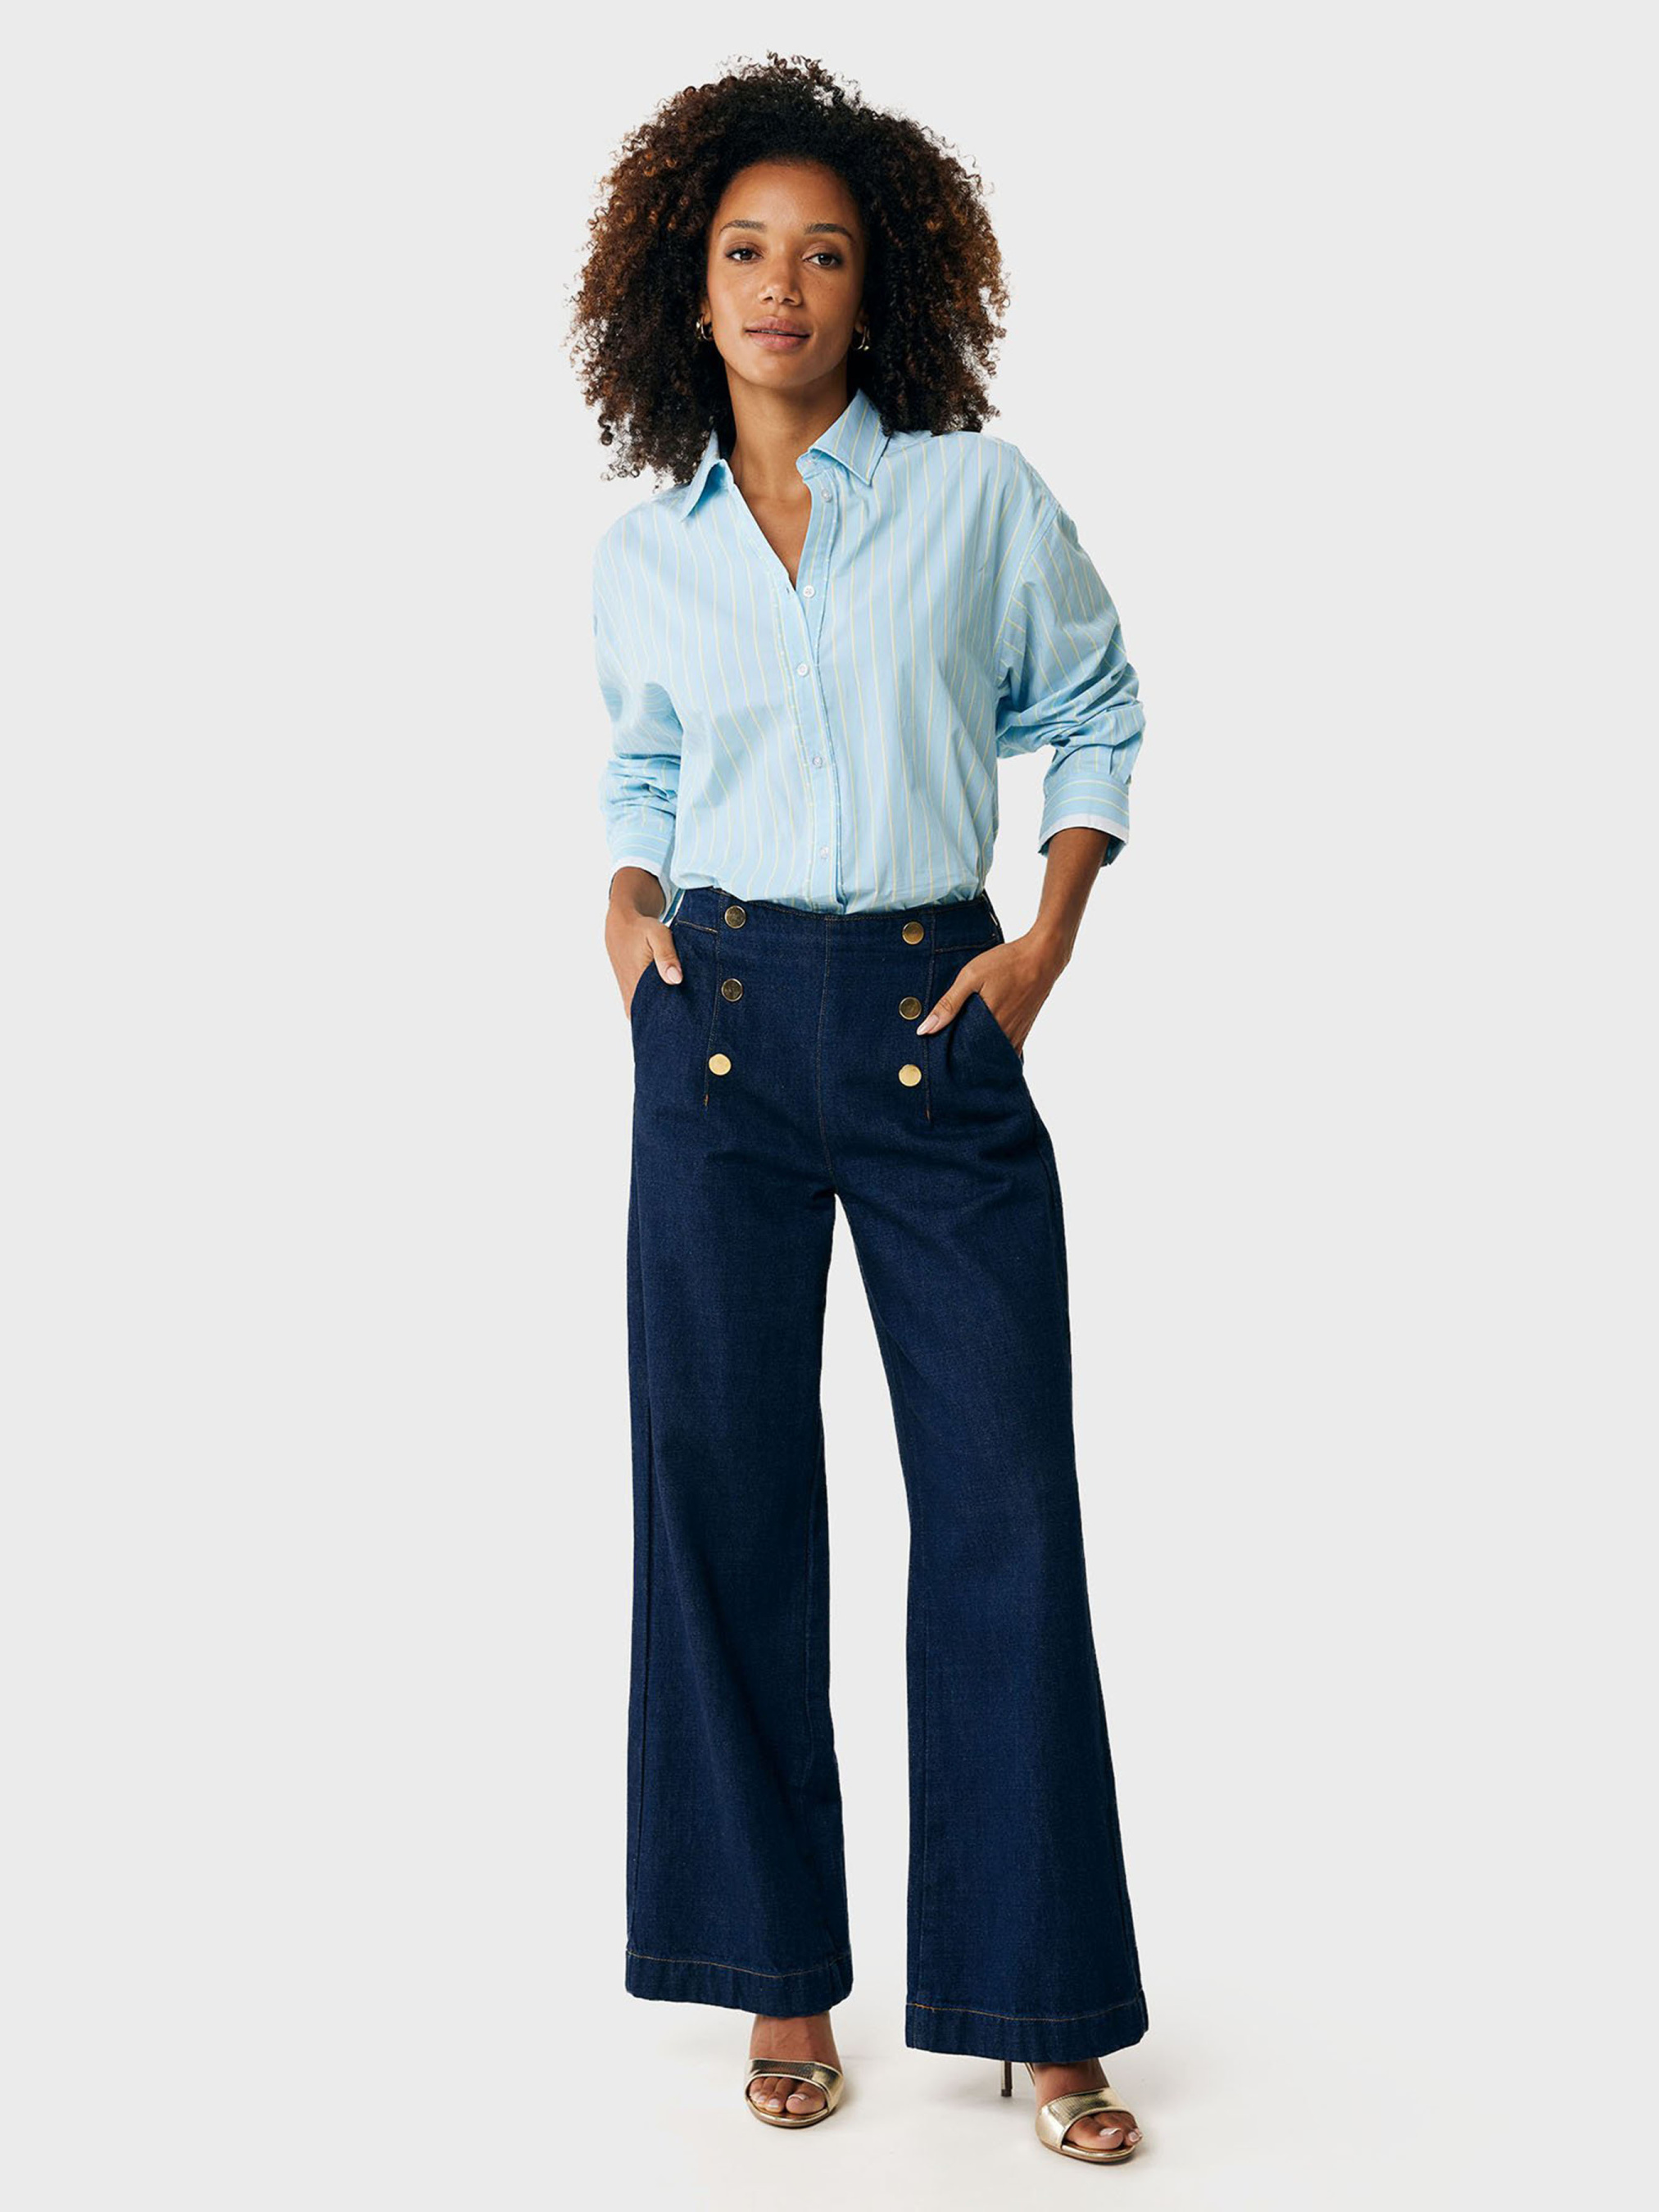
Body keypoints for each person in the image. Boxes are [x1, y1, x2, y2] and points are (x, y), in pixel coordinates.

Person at [569, 56, 1149, 2166]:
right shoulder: (648, 555)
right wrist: (626, 906)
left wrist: (1045, 940)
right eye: (745, 252)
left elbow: (1092, 704)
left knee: (1001, 1501)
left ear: (876, 286)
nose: (781, 287)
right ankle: (779, 1982)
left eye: (822, 254)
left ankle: (1040, 2006)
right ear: (686, 287)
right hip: (713, 1034)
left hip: (933, 1015)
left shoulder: (978, 500)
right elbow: (645, 763)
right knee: (720, 1505)